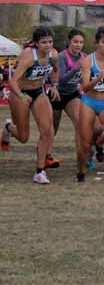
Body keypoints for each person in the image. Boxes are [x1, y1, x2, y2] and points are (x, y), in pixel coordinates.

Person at [3, 26, 59, 184]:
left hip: (39, 92)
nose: (48, 45)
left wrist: (54, 85)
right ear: (36, 43)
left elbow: (55, 70)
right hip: (20, 92)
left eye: (50, 42)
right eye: (44, 42)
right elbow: (12, 81)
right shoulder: (28, 56)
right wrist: (21, 96)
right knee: (23, 137)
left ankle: (40, 172)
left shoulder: (53, 55)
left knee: (47, 130)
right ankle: (8, 128)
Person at [74, 27, 104, 182]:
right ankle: (81, 171)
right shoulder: (88, 61)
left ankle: (98, 143)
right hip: (89, 101)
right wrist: (98, 78)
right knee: (84, 143)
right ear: (97, 43)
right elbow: (85, 87)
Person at [48, 28, 87, 168]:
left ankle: (83, 156)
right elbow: (62, 79)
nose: (78, 45)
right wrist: (77, 68)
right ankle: (47, 155)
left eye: (81, 42)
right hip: (56, 94)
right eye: (75, 41)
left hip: (72, 94)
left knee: (80, 122)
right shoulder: (62, 57)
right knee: (52, 129)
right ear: (69, 42)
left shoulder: (85, 56)